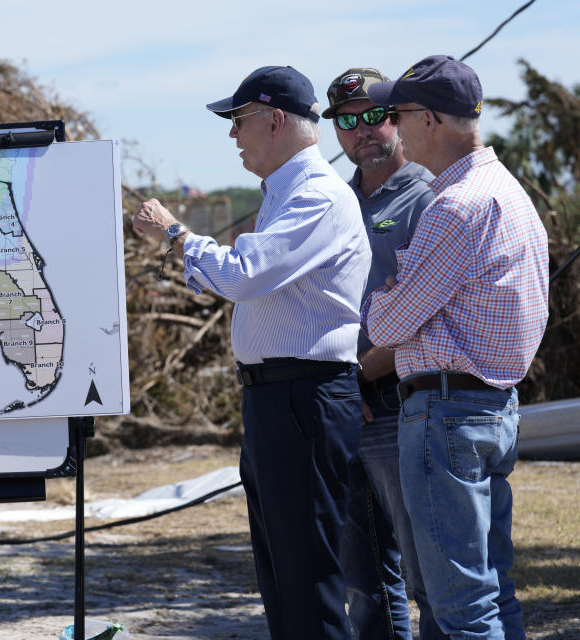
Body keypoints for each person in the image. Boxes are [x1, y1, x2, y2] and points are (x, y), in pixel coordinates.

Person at [133, 65, 371, 639]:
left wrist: (175, 236)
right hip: (280, 399)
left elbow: (243, 275)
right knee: (283, 571)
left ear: (275, 120)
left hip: (304, 397)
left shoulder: (317, 196)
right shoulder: (287, 195)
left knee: (309, 577)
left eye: (239, 121)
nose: (233, 135)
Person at [362, 55, 549, 639]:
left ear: (431, 120)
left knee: (462, 607)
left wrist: (388, 299)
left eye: (397, 113)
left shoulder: (454, 207)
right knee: (494, 592)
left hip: (445, 415)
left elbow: (388, 324)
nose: (390, 124)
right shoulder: (508, 192)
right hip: (493, 408)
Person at [322, 68, 444, 640]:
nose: (362, 130)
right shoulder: (334, 203)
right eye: (347, 121)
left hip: (407, 411)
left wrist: (357, 379)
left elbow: (431, 315)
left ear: (399, 119)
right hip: (347, 413)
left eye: (374, 115)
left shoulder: (432, 198)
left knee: (430, 578)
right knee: (363, 586)